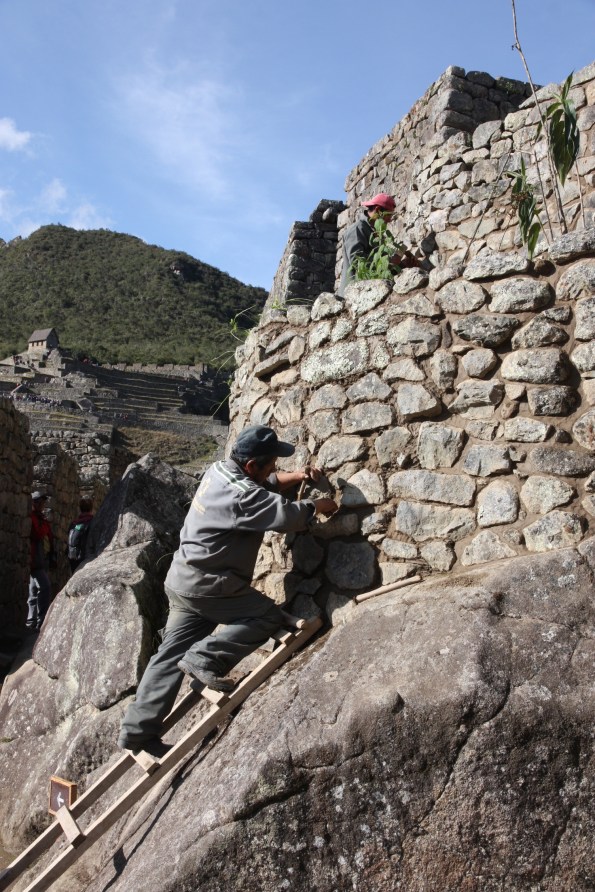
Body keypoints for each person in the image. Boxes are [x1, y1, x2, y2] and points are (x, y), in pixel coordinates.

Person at [118, 424, 339, 757]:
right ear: (252, 466)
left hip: (182, 579)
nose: (273, 470)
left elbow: (259, 486)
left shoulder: (219, 470)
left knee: (167, 657)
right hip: (210, 585)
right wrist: (318, 506)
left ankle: (136, 732)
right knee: (266, 616)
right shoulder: (245, 495)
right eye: (269, 465)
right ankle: (205, 657)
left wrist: (293, 476)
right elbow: (285, 515)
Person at [338, 192, 422, 297]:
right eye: (389, 215)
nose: (390, 219)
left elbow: (379, 272)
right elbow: (357, 264)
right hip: (353, 296)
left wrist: (402, 265)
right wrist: (390, 261)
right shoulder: (357, 230)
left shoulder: (376, 232)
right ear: (378, 210)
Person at [27, 492, 56, 632]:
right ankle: (41, 619)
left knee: (33, 589)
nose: (43, 506)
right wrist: (45, 524)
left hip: (39, 559)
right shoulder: (33, 518)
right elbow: (38, 534)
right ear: (35, 503)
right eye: (41, 503)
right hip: (35, 559)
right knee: (45, 587)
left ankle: (31, 620)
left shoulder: (39, 518)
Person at [67, 497, 94, 573]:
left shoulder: (74, 523)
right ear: (91, 508)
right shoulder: (92, 522)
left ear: (80, 508)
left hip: (73, 557)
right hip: (86, 557)